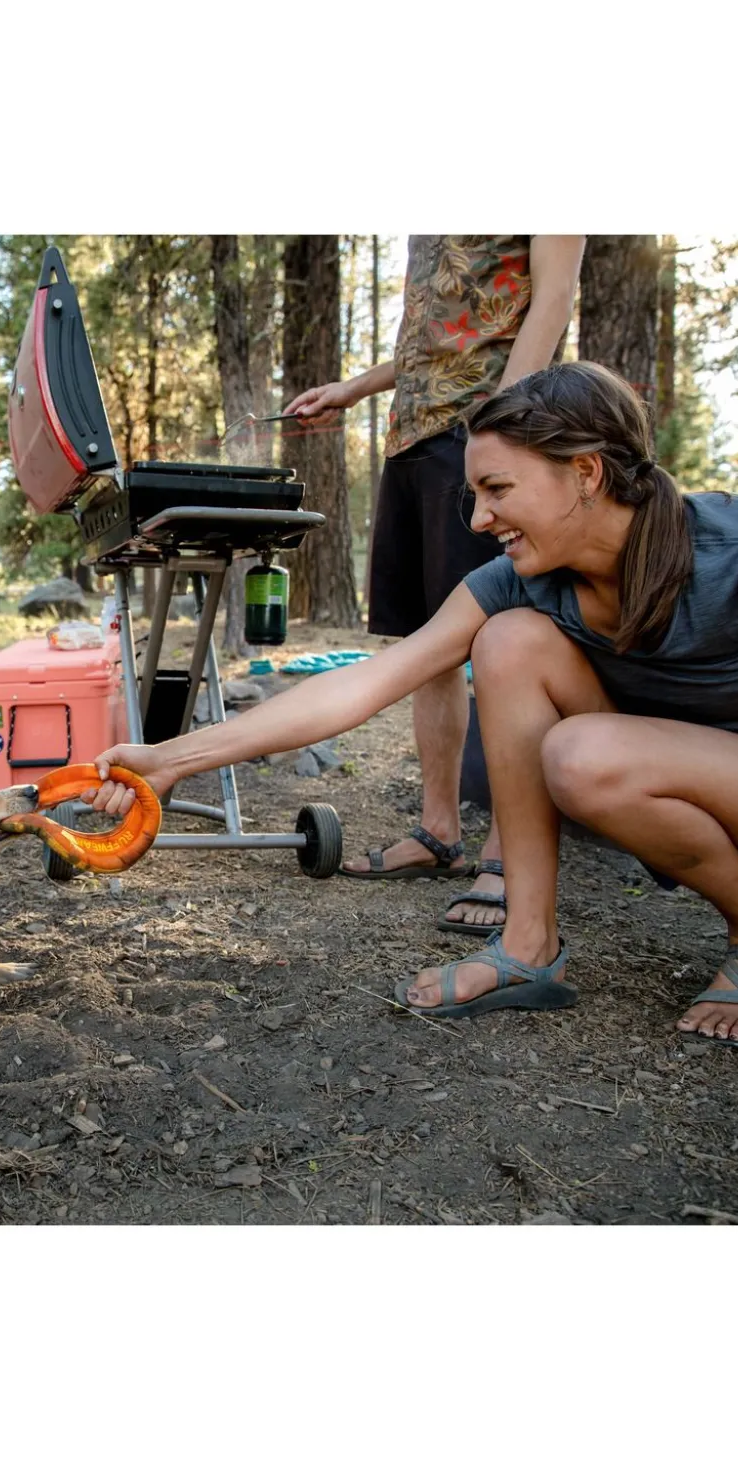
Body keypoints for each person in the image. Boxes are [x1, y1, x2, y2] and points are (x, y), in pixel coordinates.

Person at [87, 362, 738, 1049]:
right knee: (508, 642)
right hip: (667, 787)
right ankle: (527, 943)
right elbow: (370, 681)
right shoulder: (522, 582)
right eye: (474, 494)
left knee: (582, 753)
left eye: (498, 489)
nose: (479, 518)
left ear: (586, 472)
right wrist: (172, 758)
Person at [283, 235, 584, 939]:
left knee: (503, 634)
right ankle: (439, 831)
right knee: (429, 642)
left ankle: (509, 851)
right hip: (412, 438)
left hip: (483, 433)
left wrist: (501, 427)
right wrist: (354, 389)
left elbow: (552, 298)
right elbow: (435, 333)